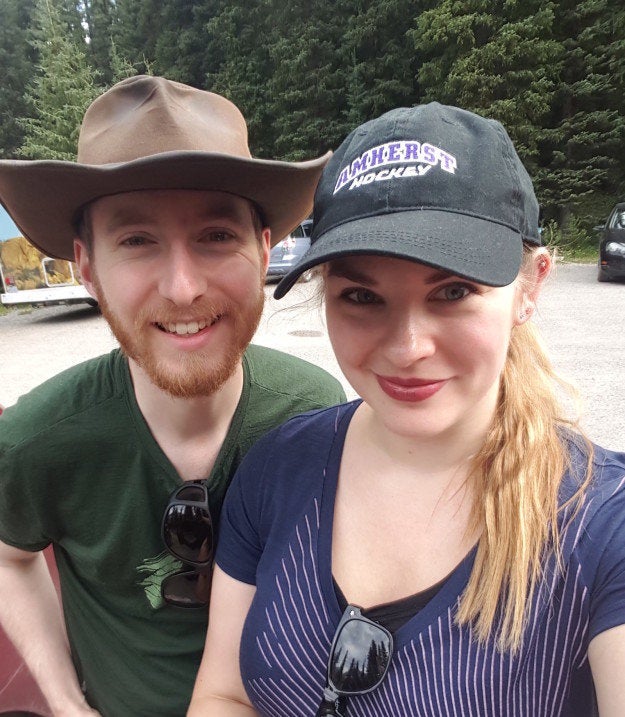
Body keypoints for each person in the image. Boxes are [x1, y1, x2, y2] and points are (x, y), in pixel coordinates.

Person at [188, 103, 625, 716]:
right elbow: (225, 693)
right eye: (362, 295)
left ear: (531, 287)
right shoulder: (279, 468)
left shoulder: (600, 520)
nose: (407, 348)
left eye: (453, 292)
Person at [0, 75, 346, 716]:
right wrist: (66, 703)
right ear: (87, 265)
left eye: (216, 235)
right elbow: (9, 558)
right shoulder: (39, 439)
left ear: (264, 249)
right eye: (136, 241)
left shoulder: (316, 417)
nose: (183, 288)